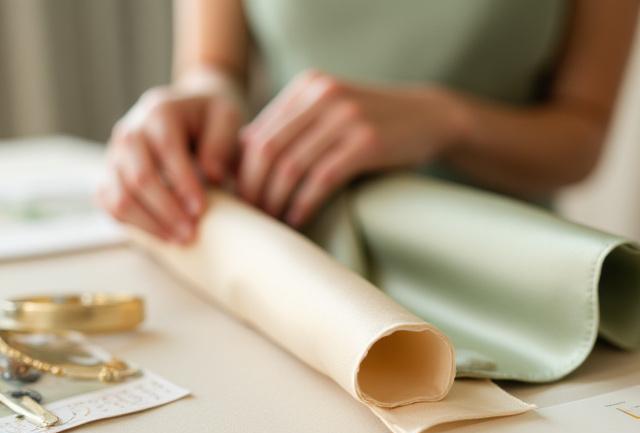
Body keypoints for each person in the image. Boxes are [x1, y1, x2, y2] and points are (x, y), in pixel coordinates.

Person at [98, 0, 638, 244]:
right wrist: (189, 106)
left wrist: (448, 120)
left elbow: (582, 133)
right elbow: (213, 67)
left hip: (501, 268)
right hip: (295, 255)